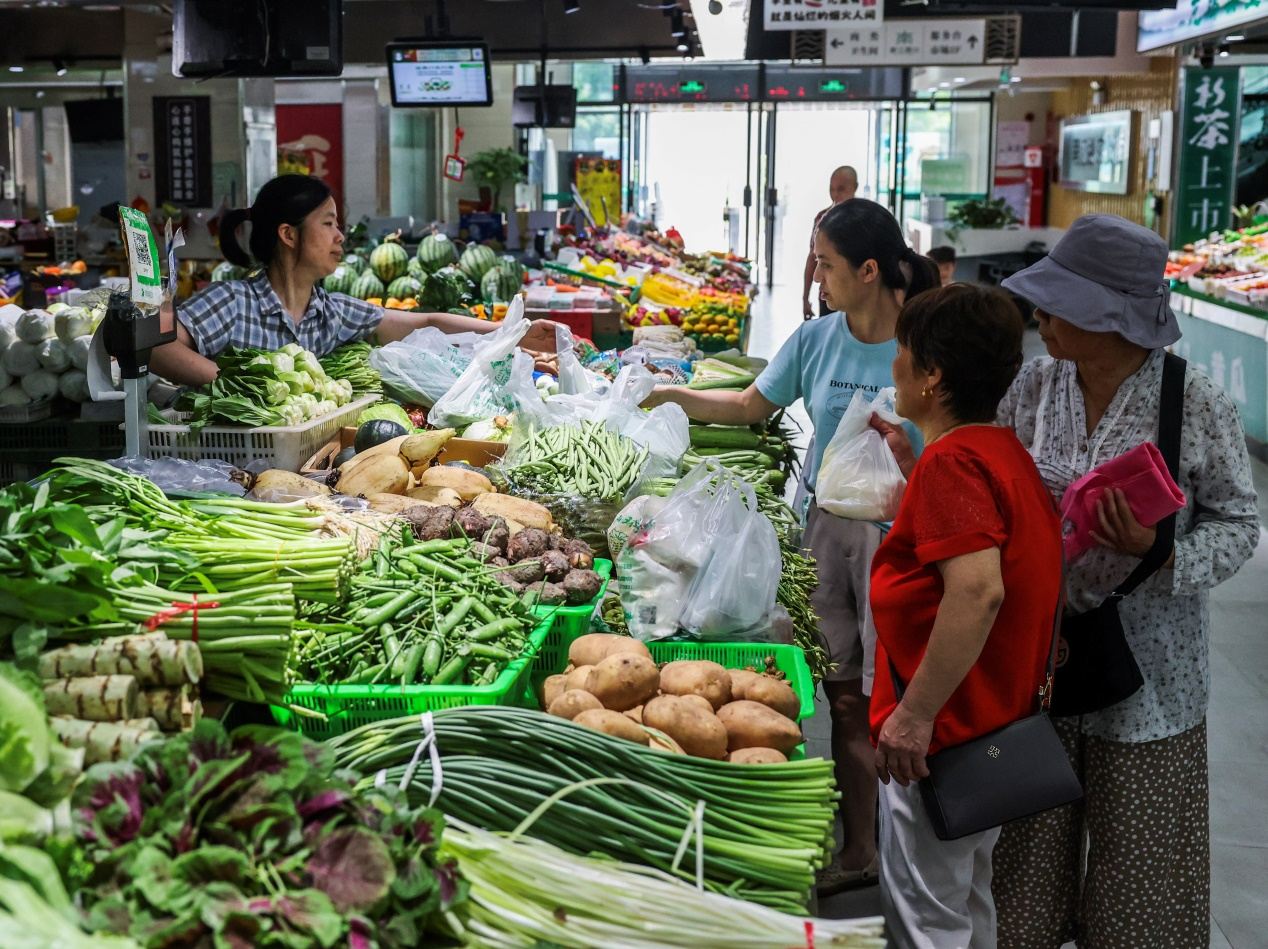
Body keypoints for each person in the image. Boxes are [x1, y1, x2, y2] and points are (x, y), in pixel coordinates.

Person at [644, 198, 939, 894]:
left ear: (869, 270)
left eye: (827, 262)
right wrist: (672, 396)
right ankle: (859, 846)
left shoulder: (926, 340)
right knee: (840, 699)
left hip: (908, 541)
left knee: (896, 701)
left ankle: (919, 850)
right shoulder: (815, 339)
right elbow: (752, 404)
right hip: (825, 536)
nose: (817, 274)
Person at [983, 214, 1260, 949]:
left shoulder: (1191, 400)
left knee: (1141, 884)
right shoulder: (1035, 387)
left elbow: (1238, 523)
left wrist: (1159, 550)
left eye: (1059, 301)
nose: (1040, 315)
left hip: (1152, 679)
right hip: (1040, 664)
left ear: (1110, 317)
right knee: (1023, 872)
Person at [867, 283, 1063, 948]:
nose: (891, 366)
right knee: (966, 903)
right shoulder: (1000, 453)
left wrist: (914, 715)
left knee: (928, 918)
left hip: (944, 737)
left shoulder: (955, 464)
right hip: (992, 729)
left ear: (931, 374)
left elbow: (978, 591)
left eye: (902, 352)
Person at [149, 174, 557, 387]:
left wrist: (515, 332)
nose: (339, 236)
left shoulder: (330, 312)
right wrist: (239, 388)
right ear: (288, 234)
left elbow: (427, 322)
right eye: (327, 224)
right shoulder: (233, 302)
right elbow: (158, 351)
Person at [803, 165, 858, 320]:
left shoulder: (865, 220)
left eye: (841, 189)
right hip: (829, 294)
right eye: (831, 189)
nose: (835, 195)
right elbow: (812, 258)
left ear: (854, 187)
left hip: (857, 298)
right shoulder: (823, 218)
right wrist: (805, 297)